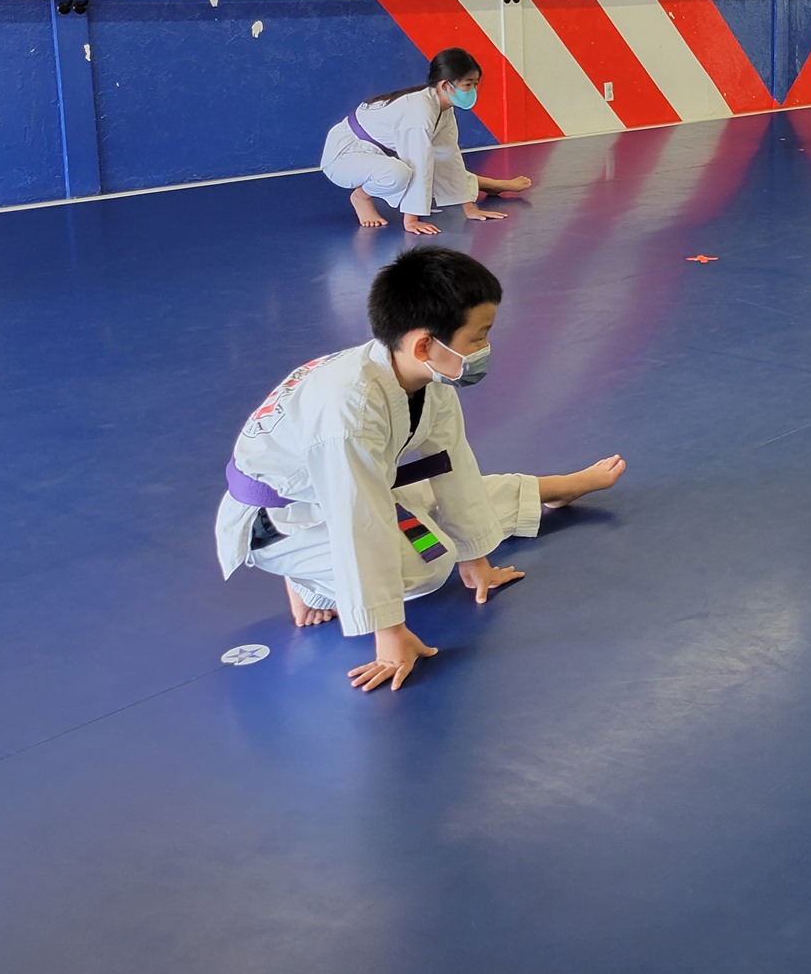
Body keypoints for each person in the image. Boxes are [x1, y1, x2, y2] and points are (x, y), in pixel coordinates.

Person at [214, 247, 625, 692]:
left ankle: (551, 489)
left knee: (440, 510)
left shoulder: (421, 372)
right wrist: (388, 634)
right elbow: (361, 522)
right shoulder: (347, 413)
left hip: (343, 490)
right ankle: (310, 580)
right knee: (427, 561)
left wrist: (477, 558)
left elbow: (453, 470)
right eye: (478, 336)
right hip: (281, 523)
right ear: (425, 343)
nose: (486, 348)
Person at [320, 48, 531, 234]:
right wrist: (411, 220)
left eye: (475, 84)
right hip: (345, 157)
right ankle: (361, 197)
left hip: (378, 156)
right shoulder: (419, 111)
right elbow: (418, 161)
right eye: (468, 84)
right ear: (446, 85)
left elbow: (449, 158)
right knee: (400, 174)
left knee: (433, 168)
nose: (473, 91)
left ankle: (490, 185)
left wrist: (470, 209)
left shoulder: (443, 108)